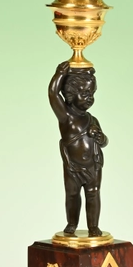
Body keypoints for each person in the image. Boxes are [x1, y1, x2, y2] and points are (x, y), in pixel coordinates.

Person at [48, 62, 109, 236]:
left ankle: (93, 227)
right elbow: (53, 94)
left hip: (93, 165)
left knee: (93, 193)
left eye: (91, 93)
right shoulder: (66, 116)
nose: (89, 98)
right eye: (84, 93)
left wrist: (101, 137)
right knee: (72, 195)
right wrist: (60, 74)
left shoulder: (92, 119)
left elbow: (104, 142)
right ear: (70, 94)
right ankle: (71, 223)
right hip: (73, 167)